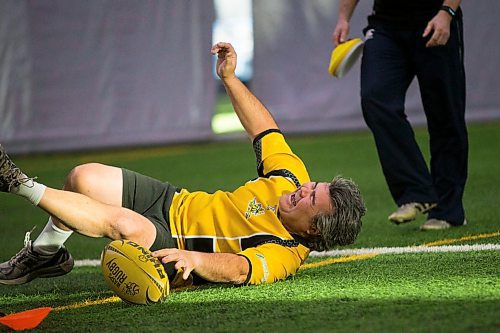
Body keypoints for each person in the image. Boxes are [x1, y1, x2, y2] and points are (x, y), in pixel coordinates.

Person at [0, 42, 366, 287]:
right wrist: (229, 78)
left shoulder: (285, 254)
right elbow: (263, 128)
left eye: (310, 199)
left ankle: (15, 181)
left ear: (314, 231)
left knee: (125, 226)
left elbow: (241, 269)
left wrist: (194, 258)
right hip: (173, 202)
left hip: (176, 248)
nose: (303, 189)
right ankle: (46, 255)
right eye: (312, 186)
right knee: (83, 177)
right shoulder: (290, 177)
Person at [332, 0, 467, 230]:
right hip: (385, 25)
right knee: (375, 98)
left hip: (435, 18)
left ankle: (447, 211)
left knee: (445, 116)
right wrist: (343, 18)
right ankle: (416, 192)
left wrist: (447, 12)